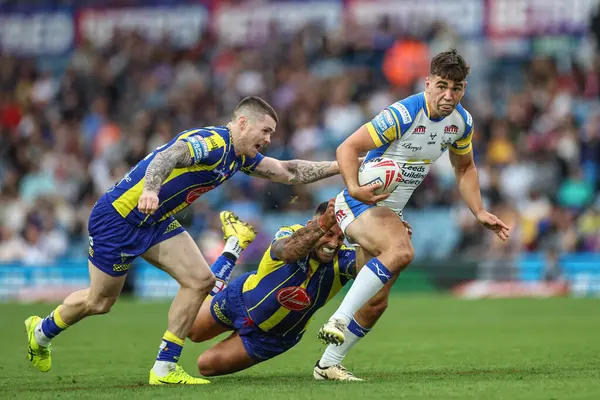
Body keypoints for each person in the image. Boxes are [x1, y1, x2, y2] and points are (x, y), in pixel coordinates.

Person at [24, 96, 341, 385]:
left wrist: (344, 165)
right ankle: (41, 332)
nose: (269, 139)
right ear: (243, 123)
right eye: (266, 130)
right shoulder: (214, 142)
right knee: (100, 302)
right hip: (119, 219)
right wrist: (150, 189)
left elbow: (289, 172)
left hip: (156, 220)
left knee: (200, 280)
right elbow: (169, 155)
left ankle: (164, 367)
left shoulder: (239, 157)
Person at [315, 49, 511, 377]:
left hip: (390, 209)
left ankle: (328, 365)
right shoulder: (404, 113)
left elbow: (465, 168)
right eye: (442, 85)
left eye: (457, 87)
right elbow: (347, 148)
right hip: (360, 201)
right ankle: (339, 317)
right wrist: (353, 188)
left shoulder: (461, 123)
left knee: (377, 303)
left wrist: (478, 210)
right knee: (401, 249)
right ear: (428, 83)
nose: (449, 95)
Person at [186, 202, 411, 380]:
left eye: (340, 237)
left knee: (205, 366)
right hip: (239, 299)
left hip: (271, 338)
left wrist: (389, 246)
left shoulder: (343, 259)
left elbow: (374, 274)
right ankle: (235, 246)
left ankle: (234, 245)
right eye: (328, 234)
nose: (333, 243)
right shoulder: (290, 232)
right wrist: (322, 225)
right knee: (192, 332)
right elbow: (287, 252)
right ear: (313, 224)